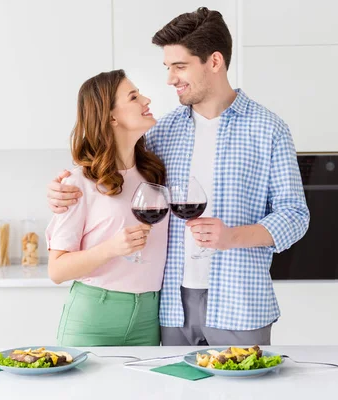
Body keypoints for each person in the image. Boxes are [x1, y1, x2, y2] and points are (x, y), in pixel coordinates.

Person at [47, 8, 309, 346]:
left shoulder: (268, 130)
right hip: (169, 308)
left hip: (240, 301)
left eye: (180, 66)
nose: (170, 79)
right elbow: (111, 166)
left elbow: (295, 216)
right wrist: (60, 191)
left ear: (214, 62)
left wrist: (231, 237)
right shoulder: (161, 133)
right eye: (167, 68)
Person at [46, 69, 169, 346]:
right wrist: (112, 248)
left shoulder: (154, 174)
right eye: (134, 97)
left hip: (149, 317)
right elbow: (57, 271)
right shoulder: (80, 182)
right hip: (94, 316)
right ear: (111, 116)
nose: (146, 100)